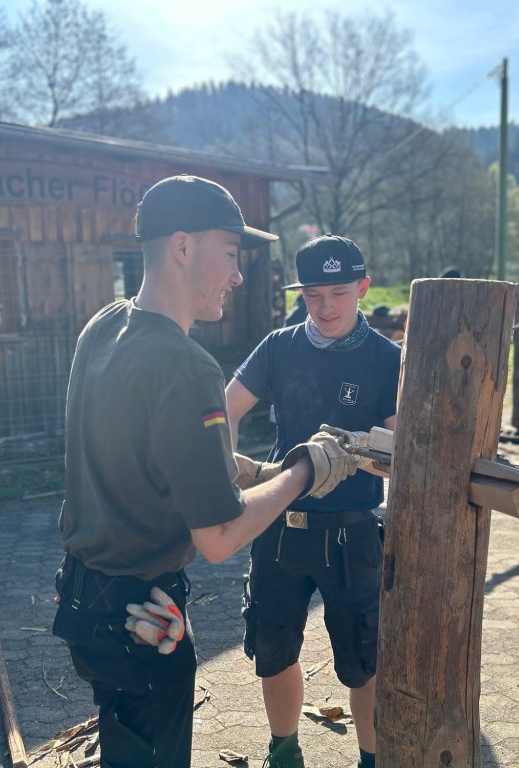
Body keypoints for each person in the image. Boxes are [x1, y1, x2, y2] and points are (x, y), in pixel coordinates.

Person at [53, 176, 361, 768]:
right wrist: (304, 469)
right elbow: (219, 537)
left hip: (85, 603)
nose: (238, 276)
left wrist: (232, 467)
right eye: (231, 253)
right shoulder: (187, 365)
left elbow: (131, 448)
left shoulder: (103, 327)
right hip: (143, 619)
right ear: (183, 246)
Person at [226, 234, 401, 768]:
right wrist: (221, 467)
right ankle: (284, 752)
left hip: (353, 532)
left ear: (363, 288)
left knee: (365, 662)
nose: (325, 307)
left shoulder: (386, 358)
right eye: (313, 295)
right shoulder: (278, 346)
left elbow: (400, 449)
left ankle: (371, 758)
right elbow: (226, 408)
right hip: (279, 525)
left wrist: (363, 453)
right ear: (300, 293)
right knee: (273, 651)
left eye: (339, 294)